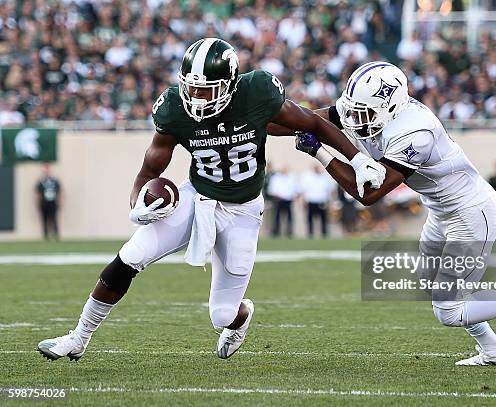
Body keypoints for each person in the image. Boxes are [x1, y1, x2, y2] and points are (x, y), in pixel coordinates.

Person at [37, 38, 386, 361]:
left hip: (243, 212)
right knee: (130, 256)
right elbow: (147, 171)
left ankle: (241, 317)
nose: (197, 97)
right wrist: (138, 205)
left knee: (222, 314)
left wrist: (358, 159)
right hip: (196, 198)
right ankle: (78, 338)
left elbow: (312, 122)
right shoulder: (174, 108)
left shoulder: (257, 92)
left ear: (231, 84)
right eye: (192, 88)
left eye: (207, 90)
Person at [279, 61, 496, 366]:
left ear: (390, 106)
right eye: (353, 110)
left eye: (364, 113)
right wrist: (254, 120)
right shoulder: (367, 108)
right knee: (428, 279)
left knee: (448, 310)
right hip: (440, 211)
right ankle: (495, 352)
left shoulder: (415, 131)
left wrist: (320, 152)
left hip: (471, 211)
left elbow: (369, 194)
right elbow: (302, 119)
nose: (355, 120)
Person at [300, 166, 334, 238]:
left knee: (323, 219)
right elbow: (303, 190)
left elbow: (329, 191)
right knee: (310, 219)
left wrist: (330, 202)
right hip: (311, 201)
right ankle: (310, 234)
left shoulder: (324, 178)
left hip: (322, 202)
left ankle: (324, 234)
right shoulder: (307, 177)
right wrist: (303, 201)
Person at [268, 166, 298, 237]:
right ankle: (276, 232)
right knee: (277, 217)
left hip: (288, 200)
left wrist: (293, 196)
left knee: (289, 217)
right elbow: (272, 189)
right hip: (278, 200)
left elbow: (296, 189)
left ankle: (289, 232)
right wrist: (277, 195)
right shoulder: (276, 178)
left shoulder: (292, 178)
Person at [36, 163, 62, 240]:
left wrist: (60, 201)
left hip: (52, 202)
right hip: (44, 203)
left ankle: (56, 234)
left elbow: (59, 191)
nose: (46, 170)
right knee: (44, 219)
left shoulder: (54, 180)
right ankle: (46, 235)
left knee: (53, 218)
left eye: (47, 169)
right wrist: (38, 202)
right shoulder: (41, 181)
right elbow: (38, 192)